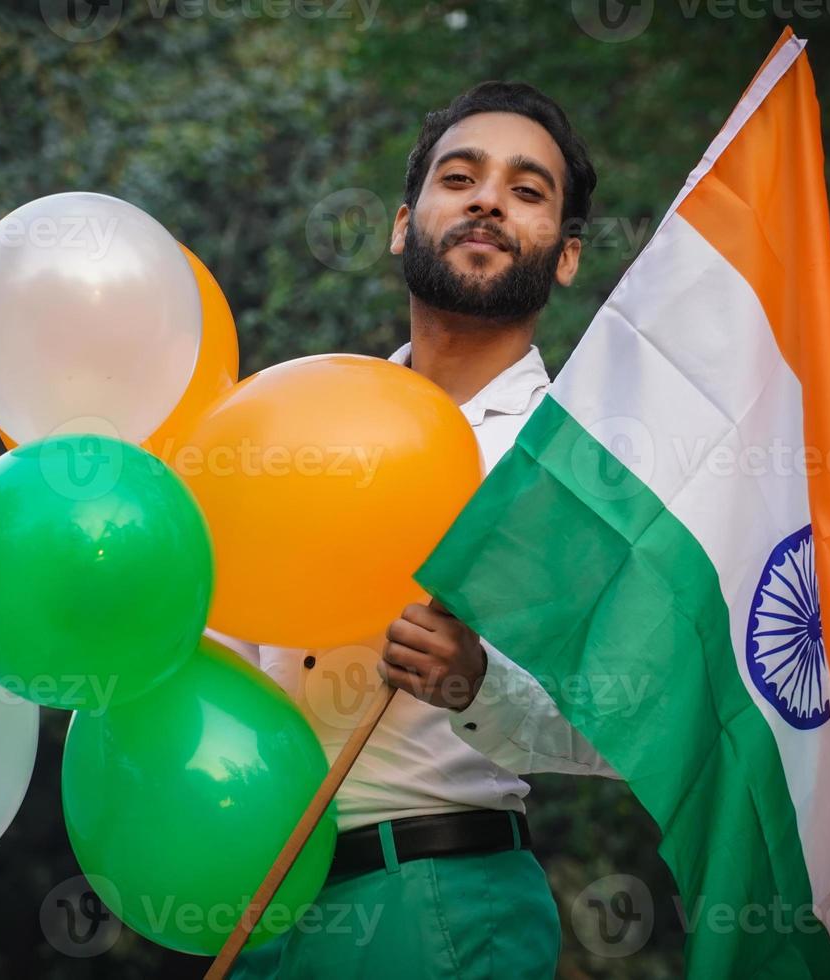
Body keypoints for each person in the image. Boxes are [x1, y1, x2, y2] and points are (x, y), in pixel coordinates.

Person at [226, 80, 621, 980]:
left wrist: (478, 684)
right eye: (461, 177)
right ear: (405, 224)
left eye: (528, 191)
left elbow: (640, 715)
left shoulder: (579, 466)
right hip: (256, 907)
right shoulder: (302, 419)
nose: (488, 199)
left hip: (441, 904)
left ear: (563, 257)